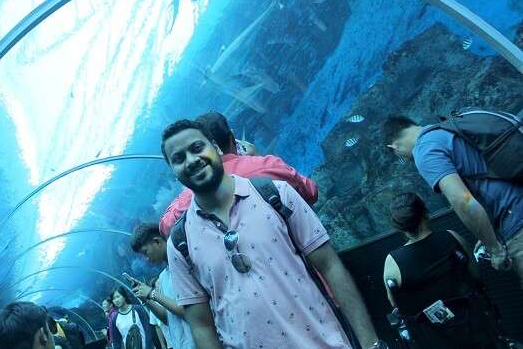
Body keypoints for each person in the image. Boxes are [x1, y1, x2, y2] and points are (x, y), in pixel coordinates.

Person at [160, 119, 385, 349]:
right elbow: (201, 325)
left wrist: (371, 344)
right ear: (174, 172)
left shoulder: (275, 194)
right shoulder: (180, 243)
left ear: (216, 148)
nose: (191, 160)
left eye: (197, 148)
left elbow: (330, 266)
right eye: (178, 158)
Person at [383, 115, 523, 285]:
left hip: (515, 224)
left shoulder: (424, 151)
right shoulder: (445, 130)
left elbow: (463, 200)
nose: (404, 159)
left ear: (394, 146)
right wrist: (487, 233)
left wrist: (494, 249)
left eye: (400, 156)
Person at [159, 111, 318, 236]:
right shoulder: (266, 165)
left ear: (213, 144)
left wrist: (187, 190)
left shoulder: (190, 200)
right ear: (232, 137)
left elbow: (165, 227)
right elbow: (311, 192)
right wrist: (257, 158)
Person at [383, 192, 501, 348]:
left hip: (433, 339)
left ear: (397, 226)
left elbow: (396, 304)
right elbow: (475, 275)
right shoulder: (452, 237)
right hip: (476, 329)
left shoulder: (392, 262)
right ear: (425, 212)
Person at [129, 223, 194, 349]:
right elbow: (166, 318)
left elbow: (190, 313)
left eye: (145, 252)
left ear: (157, 241)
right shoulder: (163, 277)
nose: (146, 259)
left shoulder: (184, 264)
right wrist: (146, 299)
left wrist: (152, 293)